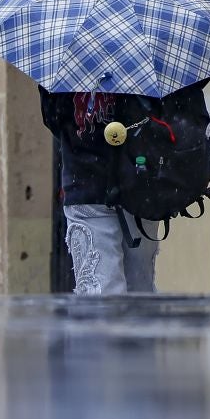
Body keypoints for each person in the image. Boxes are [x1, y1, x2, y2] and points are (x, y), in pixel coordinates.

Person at [39, 87, 159, 296]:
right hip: (140, 175)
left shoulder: (67, 70)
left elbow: (53, 118)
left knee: (100, 294)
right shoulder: (146, 72)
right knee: (140, 288)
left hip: (87, 177)